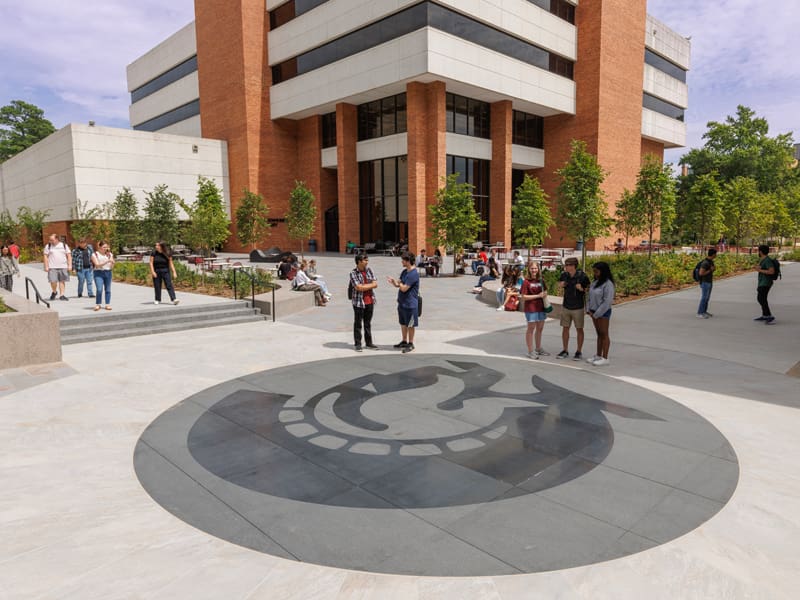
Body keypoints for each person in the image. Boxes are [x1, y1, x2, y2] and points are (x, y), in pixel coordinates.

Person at [556, 257, 591, 360]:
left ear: (573, 266)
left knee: (579, 329)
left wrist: (582, 289)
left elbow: (589, 289)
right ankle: (565, 350)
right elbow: (559, 284)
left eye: (567, 265)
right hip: (566, 305)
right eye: (565, 265)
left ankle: (579, 351)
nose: (565, 267)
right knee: (565, 328)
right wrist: (561, 285)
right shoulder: (564, 275)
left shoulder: (582, 276)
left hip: (578, 307)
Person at [387, 251, 419, 353]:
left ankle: (411, 343)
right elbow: (398, 284)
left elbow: (404, 288)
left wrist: (400, 284)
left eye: (403, 261)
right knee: (403, 323)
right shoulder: (405, 272)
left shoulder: (414, 274)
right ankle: (404, 340)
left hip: (410, 304)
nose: (402, 262)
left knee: (410, 324)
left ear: (408, 261)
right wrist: (394, 282)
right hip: (402, 303)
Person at [586, 261, 615, 366]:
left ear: (603, 271)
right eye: (594, 271)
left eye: (597, 271)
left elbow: (607, 301)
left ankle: (605, 357)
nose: (595, 273)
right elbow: (589, 297)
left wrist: (597, 313)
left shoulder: (608, 284)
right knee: (598, 334)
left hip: (603, 313)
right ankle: (598, 355)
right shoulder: (595, 282)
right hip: (593, 312)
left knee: (604, 334)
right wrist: (588, 309)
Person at [520, 262, 549, 359]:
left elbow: (545, 290)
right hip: (531, 308)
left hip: (541, 307)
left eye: (535, 268)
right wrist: (537, 296)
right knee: (531, 329)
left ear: (538, 269)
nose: (534, 270)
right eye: (532, 268)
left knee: (540, 328)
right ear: (529, 269)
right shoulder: (526, 282)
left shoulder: (541, 279)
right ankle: (530, 351)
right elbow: (523, 297)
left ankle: (538, 348)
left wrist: (544, 294)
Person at [350, 253, 378, 352]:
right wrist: (370, 285)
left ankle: (369, 343)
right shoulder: (353, 273)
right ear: (359, 261)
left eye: (367, 260)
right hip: (358, 302)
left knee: (367, 323)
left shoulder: (369, 270)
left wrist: (364, 286)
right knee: (358, 323)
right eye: (365, 260)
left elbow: (375, 284)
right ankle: (358, 344)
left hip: (370, 300)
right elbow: (358, 287)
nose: (367, 262)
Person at [43, 234, 72, 301]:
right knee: (53, 281)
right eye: (50, 240)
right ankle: (54, 292)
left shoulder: (64, 245)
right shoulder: (48, 246)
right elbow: (45, 256)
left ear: (57, 239)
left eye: (52, 240)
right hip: (52, 267)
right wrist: (46, 266)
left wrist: (70, 265)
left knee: (62, 281)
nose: (50, 241)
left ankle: (62, 295)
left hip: (63, 266)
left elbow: (69, 255)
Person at [150, 241, 180, 305]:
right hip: (156, 271)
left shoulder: (167, 253)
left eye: (157, 245)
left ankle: (174, 299)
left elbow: (171, 263)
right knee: (157, 286)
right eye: (155, 245)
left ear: (161, 246)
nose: (156, 247)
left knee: (169, 285)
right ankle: (157, 299)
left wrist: (174, 272)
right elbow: (151, 263)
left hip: (165, 271)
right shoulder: (154, 253)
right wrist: (153, 272)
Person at [754, 244, 776, 324]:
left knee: (761, 298)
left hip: (766, 282)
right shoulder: (763, 259)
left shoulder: (767, 260)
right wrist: (758, 268)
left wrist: (760, 270)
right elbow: (762, 268)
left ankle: (769, 315)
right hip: (762, 282)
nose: (758, 252)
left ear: (761, 251)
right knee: (761, 298)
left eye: (758, 250)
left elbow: (771, 271)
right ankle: (765, 315)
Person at [91, 241, 115, 311]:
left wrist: (112, 263)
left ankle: (107, 304)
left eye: (106, 247)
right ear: (100, 247)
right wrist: (107, 261)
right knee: (99, 289)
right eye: (104, 247)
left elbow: (111, 266)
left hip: (108, 272)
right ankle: (98, 304)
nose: (106, 249)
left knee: (108, 289)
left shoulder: (110, 254)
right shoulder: (95, 254)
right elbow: (97, 265)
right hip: (98, 273)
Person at [696, 247, 717, 319]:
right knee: (704, 298)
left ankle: (704, 311)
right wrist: (710, 270)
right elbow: (701, 273)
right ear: (713, 254)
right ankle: (700, 313)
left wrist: (713, 269)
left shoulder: (710, 262)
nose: (716, 255)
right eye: (715, 254)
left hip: (709, 282)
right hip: (705, 282)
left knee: (707, 298)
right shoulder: (705, 263)